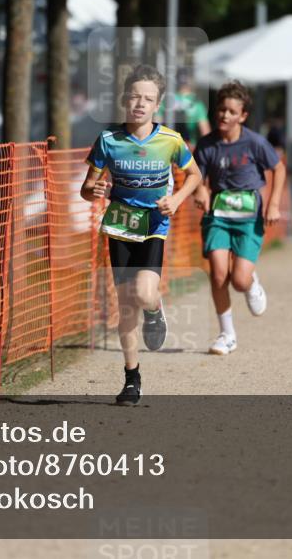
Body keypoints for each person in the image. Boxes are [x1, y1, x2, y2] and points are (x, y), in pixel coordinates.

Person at [81, 64, 203, 406]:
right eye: (134, 96)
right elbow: (86, 188)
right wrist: (97, 189)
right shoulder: (108, 140)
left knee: (144, 294)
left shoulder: (170, 140)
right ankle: (132, 378)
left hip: (153, 225)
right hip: (120, 224)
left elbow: (194, 175)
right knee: (125, 305)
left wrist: (177, 199)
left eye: (148, 99)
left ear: (157, 105)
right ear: (124, 99)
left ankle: (155, 309)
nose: (140, 104)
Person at [192, 80, 284, 356]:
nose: (224, 115)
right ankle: (226, 334)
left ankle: (251, 282)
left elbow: (278, 169)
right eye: (221, 109)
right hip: (218, 216)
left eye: (232, 111)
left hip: (247, 218)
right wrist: (200, 191)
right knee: (219, 274)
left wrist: (273, 204)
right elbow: (195, 173)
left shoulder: (255, 143)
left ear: (242, 116)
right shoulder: (207, 145)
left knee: (239, 281)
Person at [157, 72, 210, 147]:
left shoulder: (167, 99)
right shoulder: (196, 102)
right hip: (188, 147)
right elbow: (205, 133)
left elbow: (156, 124)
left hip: (167, 145)